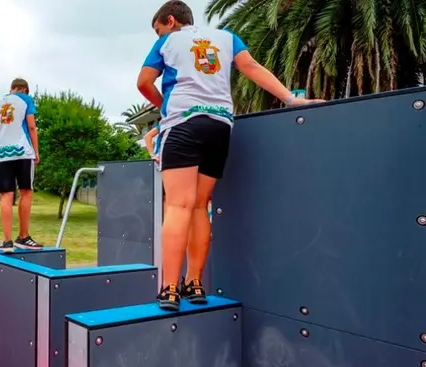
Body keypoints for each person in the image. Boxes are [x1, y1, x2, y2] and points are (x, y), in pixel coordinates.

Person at [137, 0, 322, 310]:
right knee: (200, 205)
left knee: (178, 205)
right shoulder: (226, 37)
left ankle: (169, 290)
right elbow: (252, 68)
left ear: (170, 21)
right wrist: (291, 99)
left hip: (183, 124)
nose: (159, 36)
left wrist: (165, 107)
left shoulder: (168, 42)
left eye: (159, 30)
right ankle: (195, 283)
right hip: (219, 127)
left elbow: (144, 82)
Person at [0, 77, 44, 252]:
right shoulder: (26, 99)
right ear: (24, 89)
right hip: (22, 151)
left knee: (6, 195)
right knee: (26, 192)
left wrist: (4, 128)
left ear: (11, 88)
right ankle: (23, 237)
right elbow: (31, 126)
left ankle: (7, 241)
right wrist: (36, 151)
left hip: (2, 154)